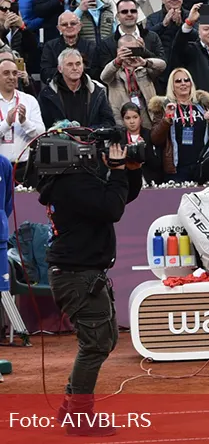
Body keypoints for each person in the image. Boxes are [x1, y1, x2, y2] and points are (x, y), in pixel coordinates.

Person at [39, 137, 143, 436]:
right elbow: (112, 208)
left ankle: (71, 404)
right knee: (96, 344)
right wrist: (119, 169)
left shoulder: (69, 181)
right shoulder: (72, 184)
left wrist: (130, 170)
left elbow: (118, 197)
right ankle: (80, 417)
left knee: (105, 339)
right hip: (78, 275)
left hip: (83, 274)